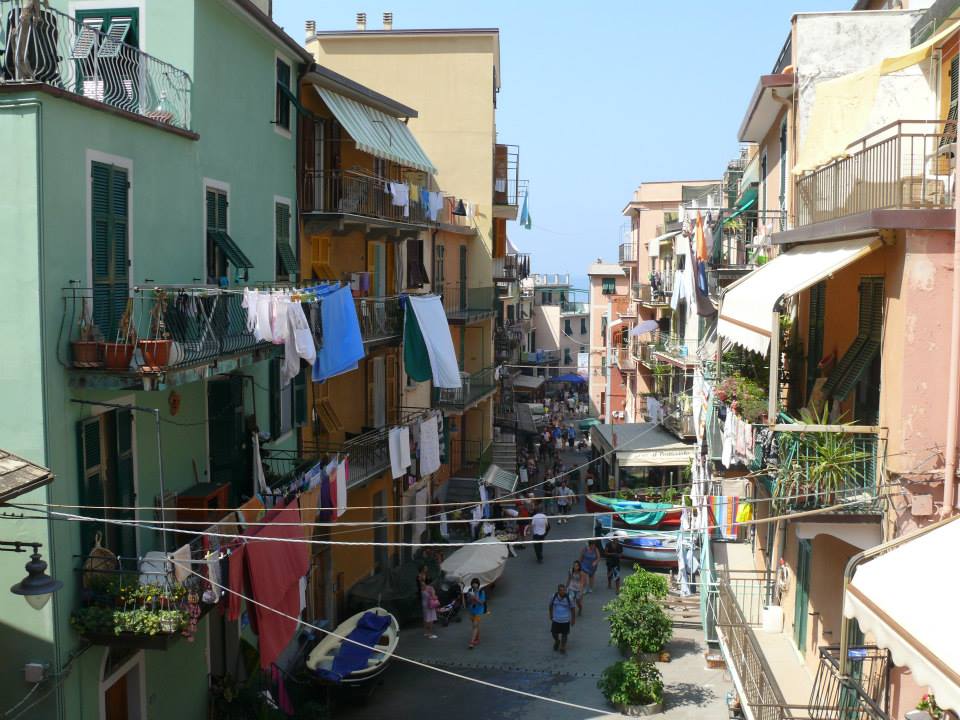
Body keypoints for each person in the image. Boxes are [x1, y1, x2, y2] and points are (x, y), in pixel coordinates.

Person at [549, 583, 576, 653]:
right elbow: (550, 605)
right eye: (560, 590)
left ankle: (562, 646)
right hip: (556, 619)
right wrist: (551, 614)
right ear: (558, 591)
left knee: (564, 634)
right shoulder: (554, 596)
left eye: (564, 590)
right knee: (554, 633)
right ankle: (557, 641)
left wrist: (573, 619)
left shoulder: (569, 598)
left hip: (565, 620)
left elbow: (573, 609)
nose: (562, 592)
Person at [464, 577, 486, 649]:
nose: (474, 585)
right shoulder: (470, 591)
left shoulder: (481, 592)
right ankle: (477, 639)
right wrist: (470, 598)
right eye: (473, 583)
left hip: (479, 610)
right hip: (472, 610)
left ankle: (471, 642)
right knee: (476, 625)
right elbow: (468, 601)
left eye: (476, 583)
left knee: (475, 625)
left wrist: (475, 598)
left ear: (478, 584)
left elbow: (482, 602)